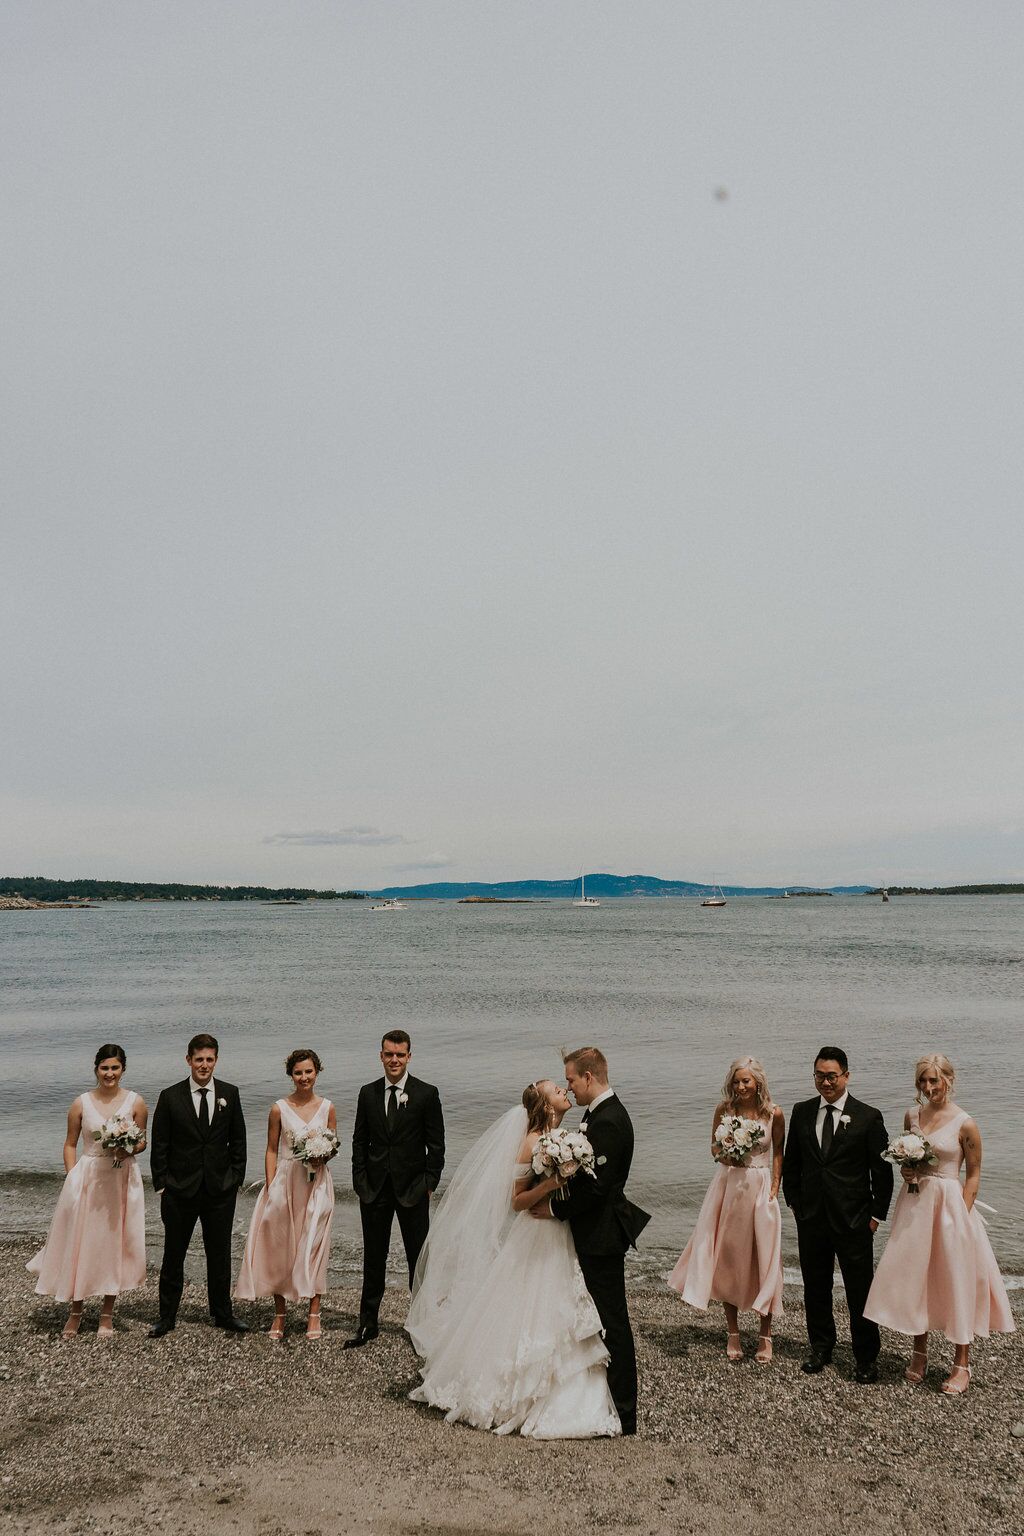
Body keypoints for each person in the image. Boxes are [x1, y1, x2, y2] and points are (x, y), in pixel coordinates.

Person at [408, 1080, 620, 1438]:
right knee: (531, 1300)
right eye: (556, 1090)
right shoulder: (531, 1142)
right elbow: (517, 1201)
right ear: (546, 1106)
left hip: (559, 1229)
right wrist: (550, 1186)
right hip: (536, 1232)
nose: (564, 1091)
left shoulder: (560, 1137)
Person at [864, 1054, 1014, 1394]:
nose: (928, 1086)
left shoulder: (965, 1124)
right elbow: (910, 1159)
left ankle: (962, 1363)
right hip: (915, 1202)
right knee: (917, 1275)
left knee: (955, 1278)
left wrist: (963, 1214)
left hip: (950, 1207)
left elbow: (973, 1175)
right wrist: (907, 1171)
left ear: (949, 1079)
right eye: (923, 1080)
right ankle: (919, 1353)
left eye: (934, 1080)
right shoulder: (912, 1115)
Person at [531, 1046, 649, 1435]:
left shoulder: (609, 1120)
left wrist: (554, 1208)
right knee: (599, 1318)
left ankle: (626, 1413)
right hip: (593, 1231)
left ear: (588, 1076)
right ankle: (604, 1399)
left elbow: (597, 1189)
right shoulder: (596, 1114)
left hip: (602, 1235)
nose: (569, 1087)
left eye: (571, 1080)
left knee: (612, 1320)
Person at [782, 1045, 893, 1382]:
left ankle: (865, 1357)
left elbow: (882, 1172)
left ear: (846, 1076)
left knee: (860, 1290)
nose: (826, 1082)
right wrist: (795, 1204)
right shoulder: (802, 1112)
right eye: (819, 1075)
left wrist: (875, 1217)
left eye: (831, 1076)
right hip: (812, 1218)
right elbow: (792, 1163)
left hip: (854, 1220)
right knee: (816, 1287)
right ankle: (821, 1347)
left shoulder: (868, 1117)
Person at [668, 1056, 784, 1362]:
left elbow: (778, 1153)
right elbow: (714, 1148)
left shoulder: (773, 1113)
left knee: (765, 1257)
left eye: (746, 1081)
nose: (741, 1086)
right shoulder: (725, 1110)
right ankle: (733, 1331)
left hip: (760, 1187)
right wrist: (728, 1155)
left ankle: (765, 1333)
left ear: (758, 1082)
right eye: (736, 1081)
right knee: (729, 1257)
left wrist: (775, 1187)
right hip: (729, 1186)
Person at [28, 1044, 147, 1337]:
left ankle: (106, 1315)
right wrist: (73, 1176)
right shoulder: (81, 1103)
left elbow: (142, 1142)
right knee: (82, 1242)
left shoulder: (136, 1102)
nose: (109, 1073)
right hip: (89, 1178)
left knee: (114, 1243)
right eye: (104, 1068)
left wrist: (128, 1147)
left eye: (115, 1068)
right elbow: (70, 1144)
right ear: (96, 1069)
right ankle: (76, 1312)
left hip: (121, 1179)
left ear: (123, 1069)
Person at [347, 1031, 445, 1348]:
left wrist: (429, 1184)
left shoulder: (426, 1094)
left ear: (409, 1057)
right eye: (389, 1054)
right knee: (374, 1258)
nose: (394, 1060)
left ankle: (421, 1325)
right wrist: (360, 1181)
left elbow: (436, 1146)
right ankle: (368, 1324)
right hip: (374, 1190)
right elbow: (359, 1141)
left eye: (400, 1055)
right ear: (381, 1056)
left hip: (412, 1190)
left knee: (419, 1260)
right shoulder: (368, 1093)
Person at [148, 1033, 248, 1336]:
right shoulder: (170, 1096)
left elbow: (238, 1141)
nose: (204, 1065)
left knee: (219, 1254)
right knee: (173, 1254)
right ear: (188, 1060)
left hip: (219, 1190)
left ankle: (223, 1314)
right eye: (199, 1059)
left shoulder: (229, 1093)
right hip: (179, 1190)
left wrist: (235, 1179)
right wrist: (162, 1184)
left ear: (216, 1060)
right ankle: (167, 1317)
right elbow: (160, 1144)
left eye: (209, 1059)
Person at [235, 1049, 338, 1340]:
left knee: (315, 1245)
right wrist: (271, 1187)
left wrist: (321, 1156)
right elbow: (271, 1150)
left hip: (317, 1185)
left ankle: (314, 1313)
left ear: (317, 1072)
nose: (304, 1077)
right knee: (281, 1248)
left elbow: (332, 1147)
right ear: (290, 1075)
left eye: (308, 1071)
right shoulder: (279, 1108)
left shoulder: (328, 1107)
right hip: (285, 1183)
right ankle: (279, 1314)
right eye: (298, 1072)